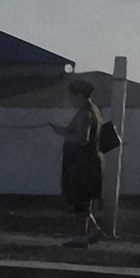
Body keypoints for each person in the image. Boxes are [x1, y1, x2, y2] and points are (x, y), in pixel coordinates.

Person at [59, 75, 107, 245]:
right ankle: (95, 231)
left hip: (82, 166)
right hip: (89, 164)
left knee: (81, 203)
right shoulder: (94, 110)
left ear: (78, 95)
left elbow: (82, 139)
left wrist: (62, 133)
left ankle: (81, 237)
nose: (71, 101)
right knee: (83, 203)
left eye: (72, 97)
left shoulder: (85, 114)